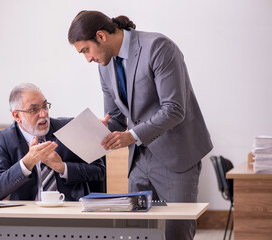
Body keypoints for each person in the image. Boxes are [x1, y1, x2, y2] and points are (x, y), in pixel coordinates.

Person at [68, 11, 213, 240]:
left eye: (86, 50)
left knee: (176, 234)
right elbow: (116, 117)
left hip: (177, 155)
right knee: (135, 232)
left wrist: (132, 135)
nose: (87, 59)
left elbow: (174, 109)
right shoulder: (105, 66)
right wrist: (98, 128)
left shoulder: (158, 47)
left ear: (101, 36)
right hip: (138, 160)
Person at [0, 83, 106, 201]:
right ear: (17, 115)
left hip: (69, 211)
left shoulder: (69, 127)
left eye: (45, 106)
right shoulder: (2, 139)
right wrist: (27, 163)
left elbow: (99, 171)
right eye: (33, 109)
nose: (44, 114)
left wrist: (63, 167)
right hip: (27, 215)